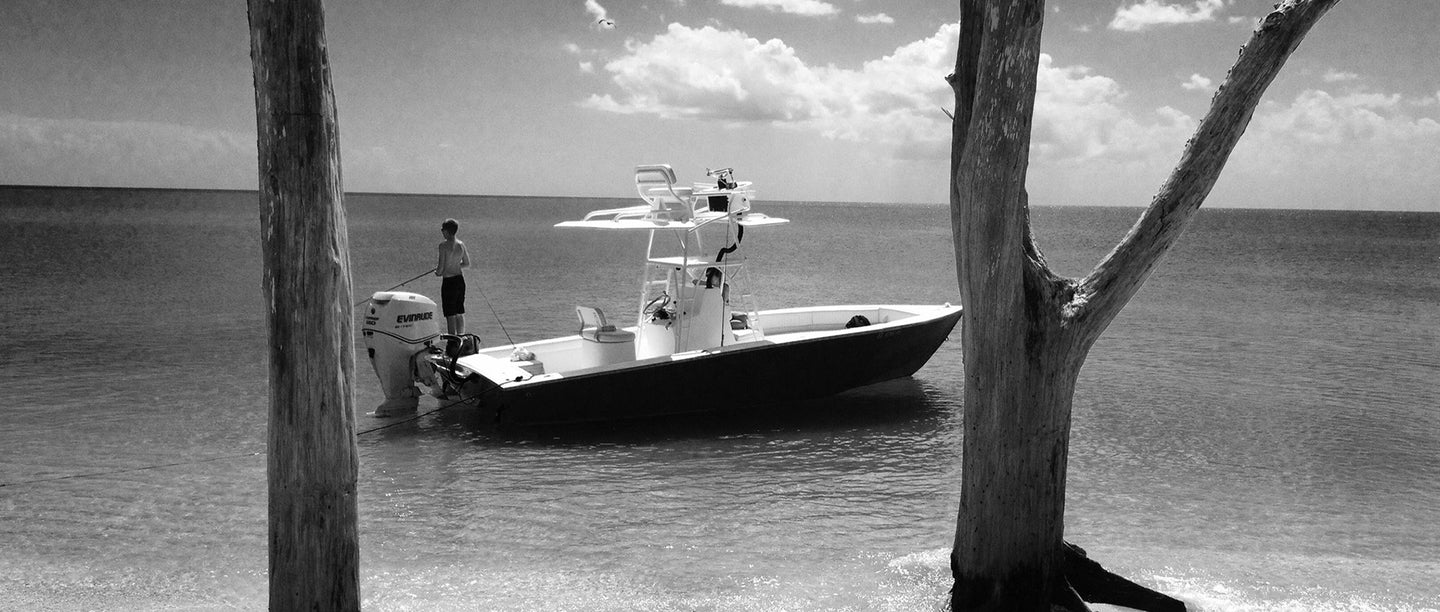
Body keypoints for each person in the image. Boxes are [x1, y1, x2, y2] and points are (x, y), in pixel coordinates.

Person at [435, 218, 471, 335]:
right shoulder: (461, 245)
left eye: (442, 229)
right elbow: (466, 263)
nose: (441, 232)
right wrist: (455, 264)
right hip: (460, 281)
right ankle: (461, 338)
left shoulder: (443, 246)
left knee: (450, 315)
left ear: (447, 231)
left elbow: (440, 268)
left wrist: (437, 272)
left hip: (449, 283)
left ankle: (452, 343)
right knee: (459, 312)